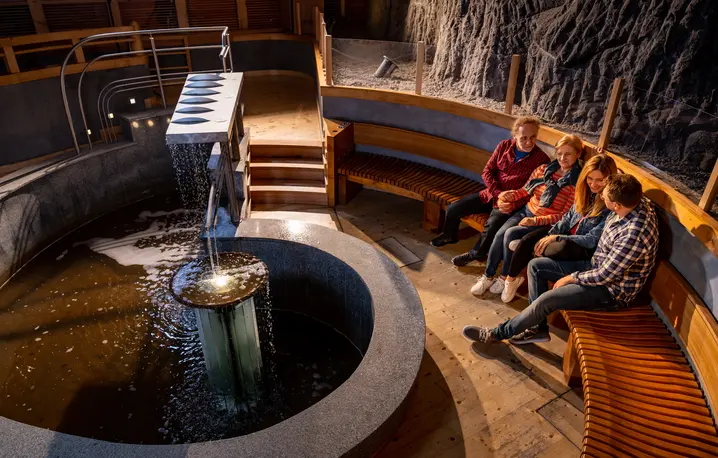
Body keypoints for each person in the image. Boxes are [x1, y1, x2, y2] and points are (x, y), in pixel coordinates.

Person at [461, 174, 659, 346]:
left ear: (616, 205)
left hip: (610, 291)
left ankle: (497, 334)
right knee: (536, 266)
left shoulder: (633, 234)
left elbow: (605, 275)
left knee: (547, 300)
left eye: (605, 196)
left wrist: (571, 278)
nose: (601, 196)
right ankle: (537, 329)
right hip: (596, 266)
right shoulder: (633, 200)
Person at [469, 134, 584, 298]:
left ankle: (505, 278)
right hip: (527, 211)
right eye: (559, 153)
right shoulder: (543, 169)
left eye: (568, 154)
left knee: (510, 233)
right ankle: (488, 276)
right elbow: (524, 190)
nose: (562, 158)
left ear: (578, 154)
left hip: (546, 222)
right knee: (500, 234)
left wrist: (534, 220)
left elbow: (564, 216)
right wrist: (506, 197)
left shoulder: (577, 183)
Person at [430, 117, 549, 268]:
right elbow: (487, 172)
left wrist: (511, 202)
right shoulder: (504, 146)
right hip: (491, 193)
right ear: (515, 136)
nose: (529, 142)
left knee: (491, 226)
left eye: (533, 137)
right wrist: (498, 193)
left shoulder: (541, 159)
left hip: (510, 203)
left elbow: (533, 191)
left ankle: (477, 253)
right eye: (523, 138)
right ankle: (449, 235)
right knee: (453, 209)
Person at [498, 154, 618, 303]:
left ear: (610, 179)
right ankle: (516, 269)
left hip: (580, 248)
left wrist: (557, 237)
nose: (593, 184)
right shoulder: (585, 193)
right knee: (529, 237)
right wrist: (550, 234)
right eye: (590, 178)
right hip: (566, 235)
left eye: (600, 180)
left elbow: (591, 240)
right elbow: (567, 219)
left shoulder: (610, 205)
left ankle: (530, 249)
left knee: (558, 246)